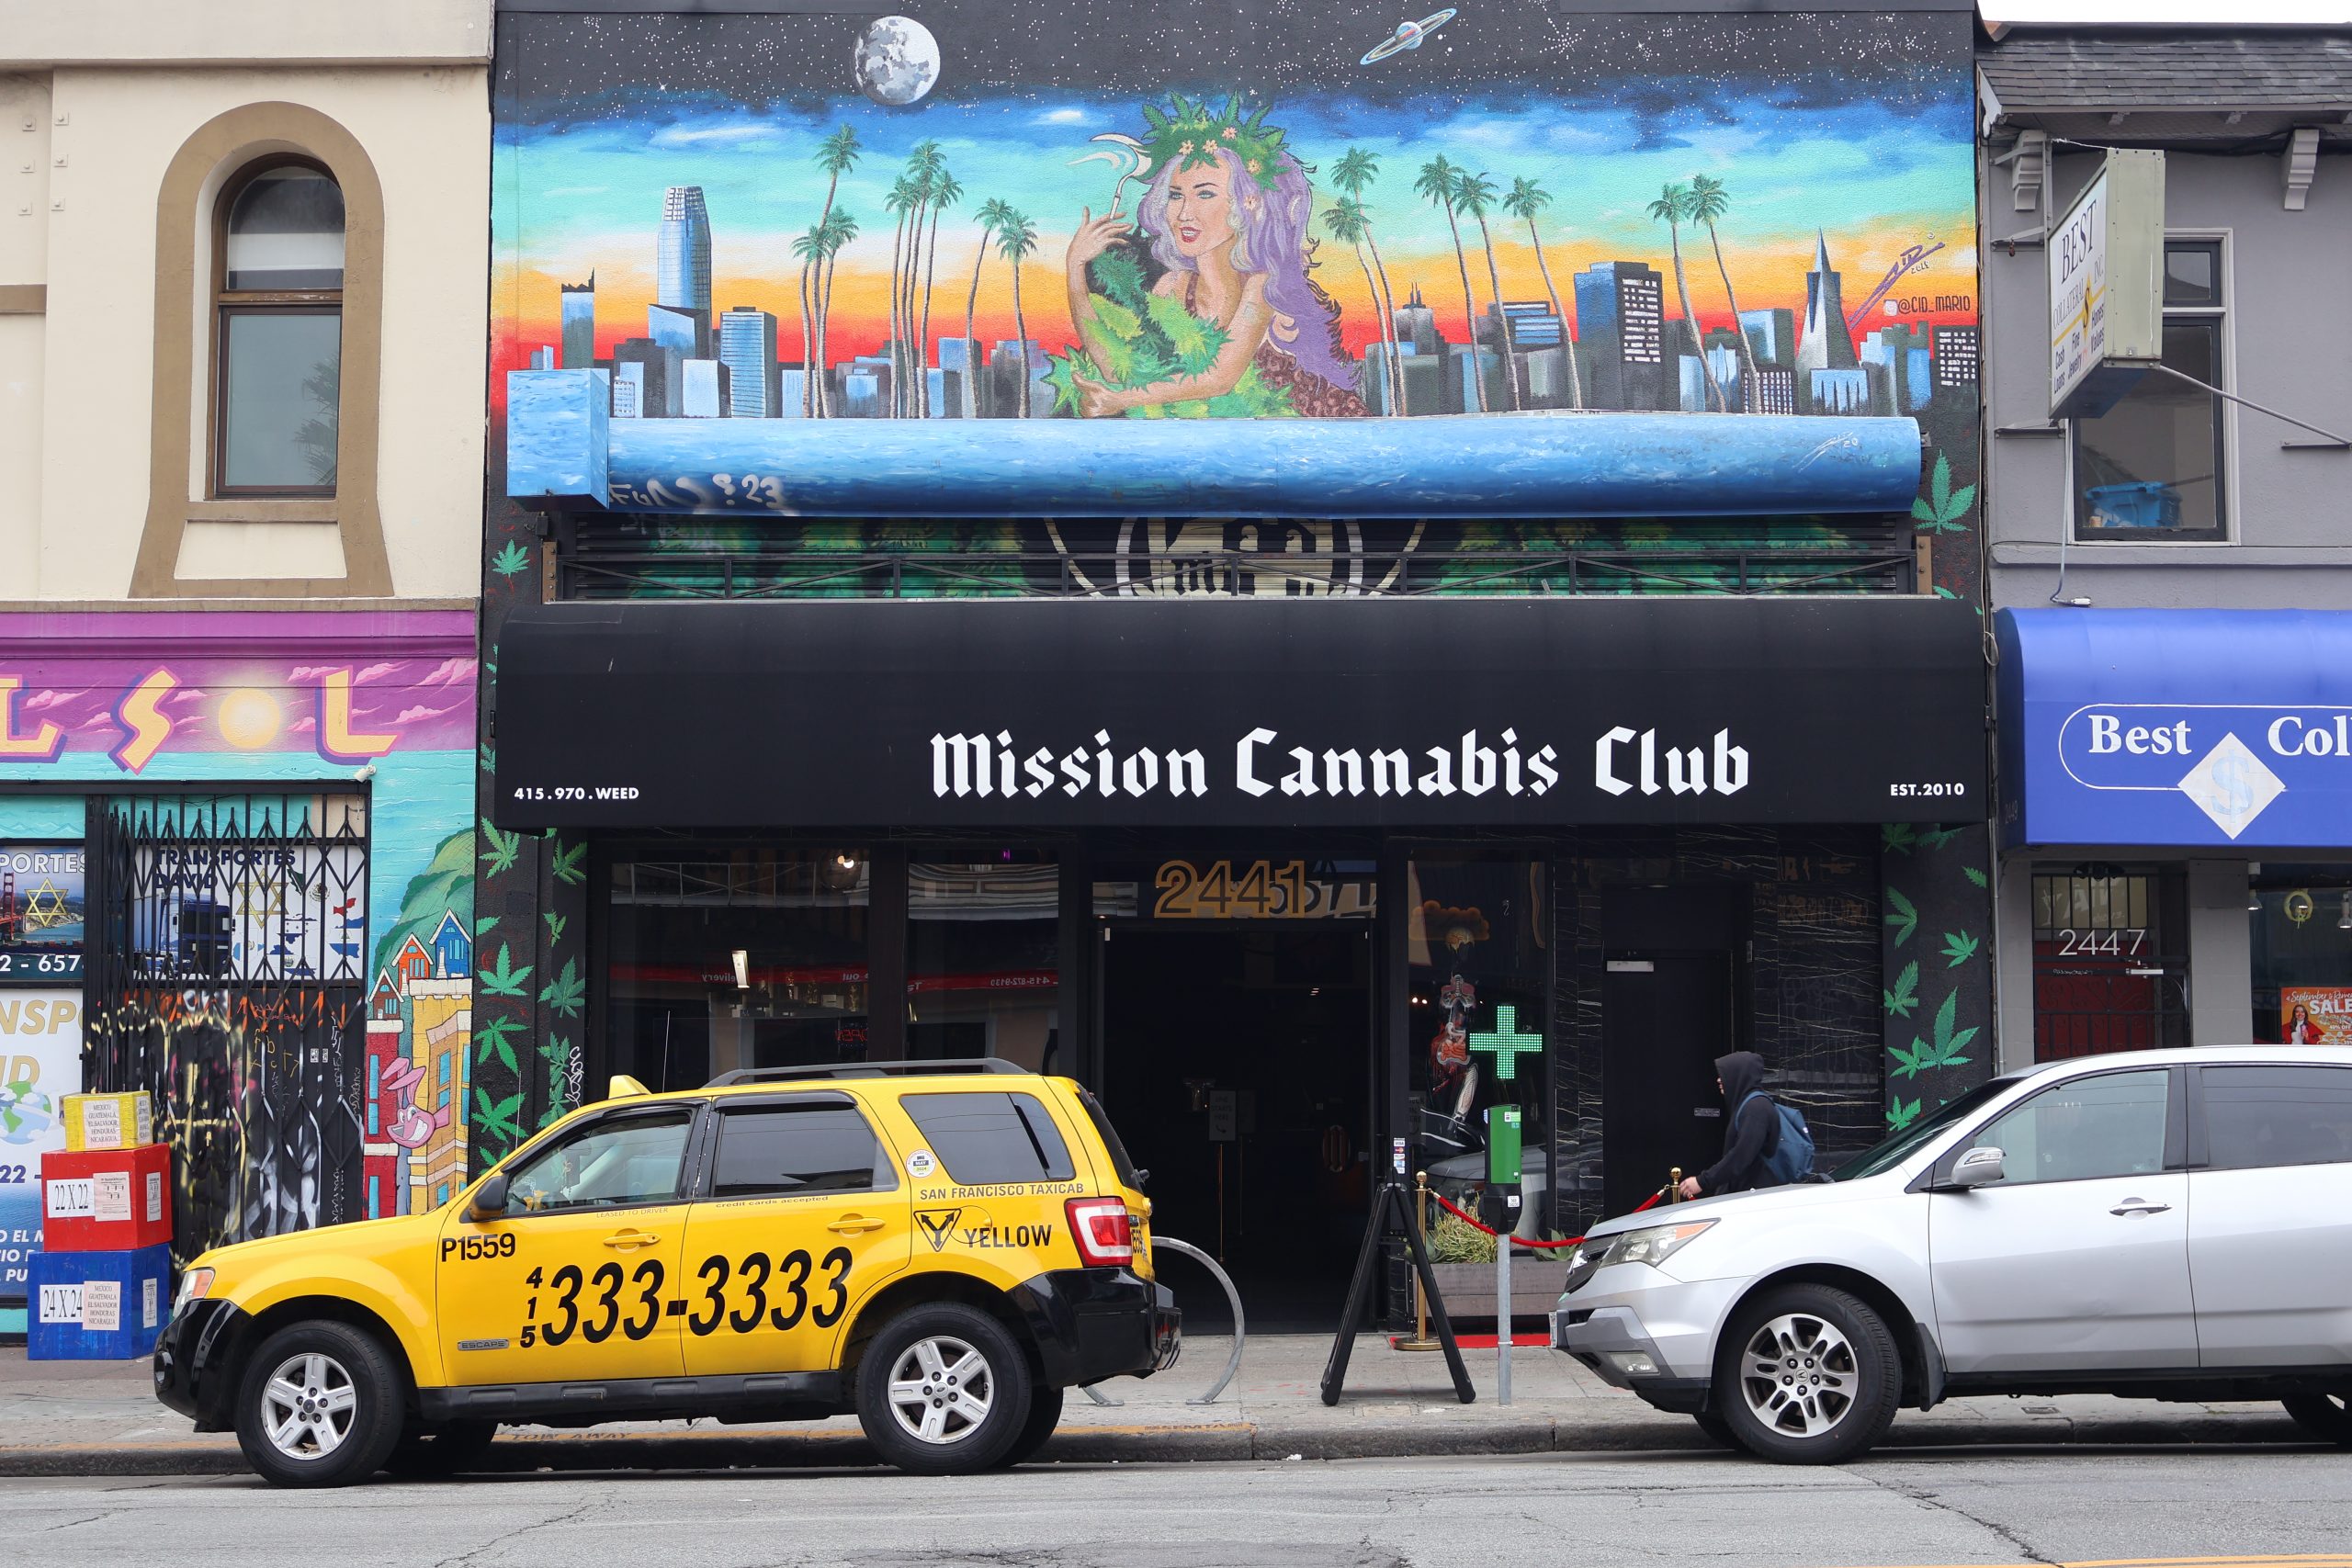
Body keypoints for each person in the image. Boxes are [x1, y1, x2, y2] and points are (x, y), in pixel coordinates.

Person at [1063, 96, 1366, 418]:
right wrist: (1075, 270)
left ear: (1248, 204)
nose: (1184, 213)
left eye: (1205, 194)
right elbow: (1125, 372)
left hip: (1314, 431)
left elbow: (1219, 379)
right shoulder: (1173, 288)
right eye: (1175, 195)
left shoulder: (1263, 285)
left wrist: (1120, 399)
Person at [1679, 1051, 1781, 1201]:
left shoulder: (1756, 1109)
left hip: (1753, 1199)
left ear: (1739, 1075)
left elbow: (1741, 1155)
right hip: (1747, 1195)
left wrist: (1703, 1181)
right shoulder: (1751, 1105)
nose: (1719, 1080)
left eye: (1725, 1074)